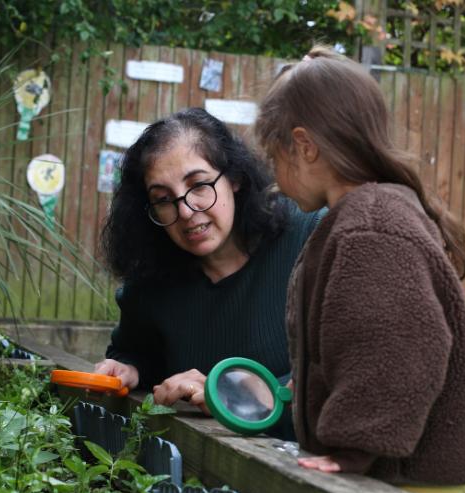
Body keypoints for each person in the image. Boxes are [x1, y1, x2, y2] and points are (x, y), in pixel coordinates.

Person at [255, 45, 465, 493]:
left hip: (413, 474)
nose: (276, 179)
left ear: (304, 146)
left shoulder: (371, 225)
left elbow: (398, 343)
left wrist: (354, 445)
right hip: (400, 466)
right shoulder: (363, 215)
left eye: (273, 156)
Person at [95, 108, 323, 431]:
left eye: (199, 185)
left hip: (320, 469)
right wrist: (129, 369)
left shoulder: (311, 237)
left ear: (235, 178)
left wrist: (228, 394)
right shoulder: (151, 279)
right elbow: (136, 350)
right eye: (163, 199)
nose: (186, 211)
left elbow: (352, 368)